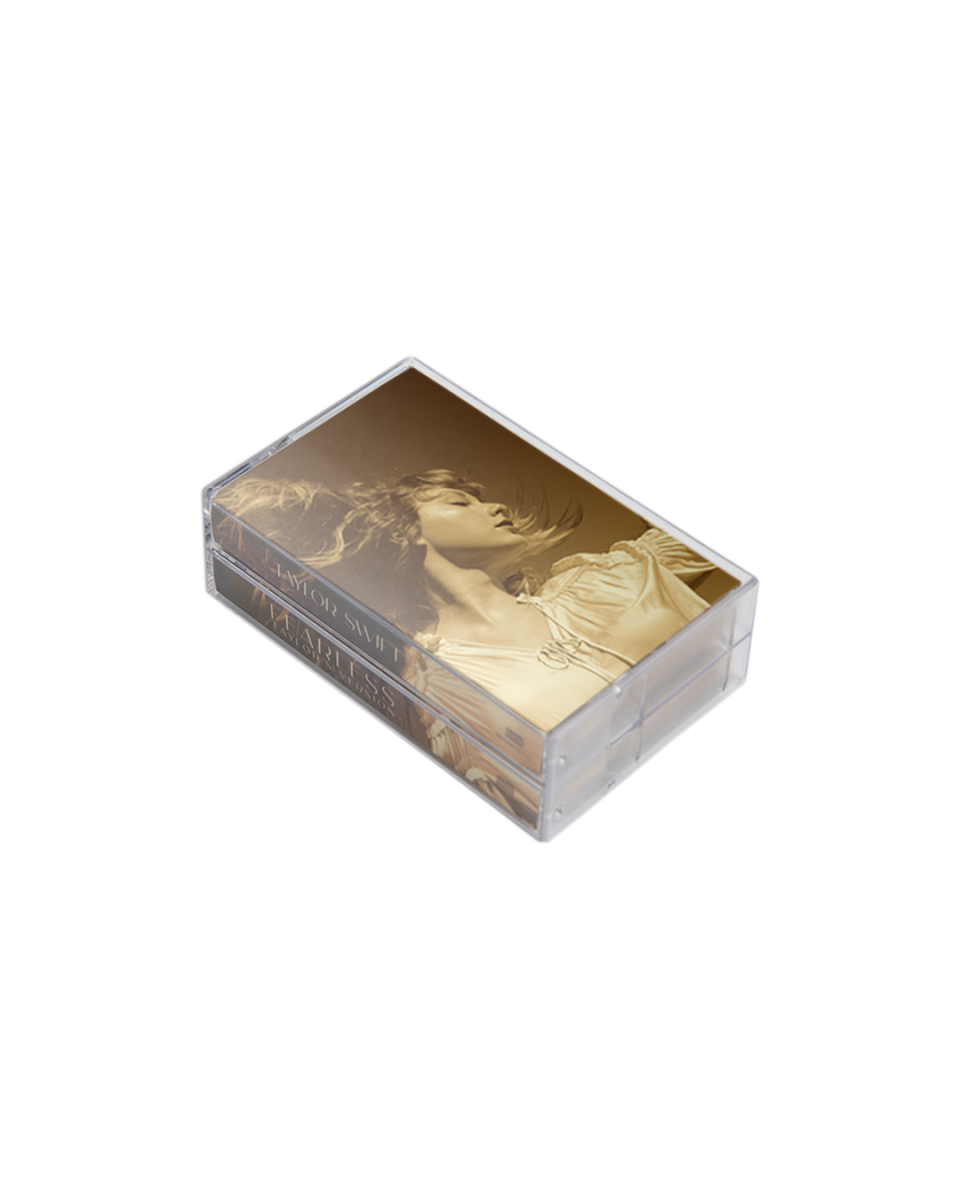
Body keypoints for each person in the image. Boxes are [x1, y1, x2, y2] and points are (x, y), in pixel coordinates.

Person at [215, 469, 716, 821]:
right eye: (459, 502)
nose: (497, 506)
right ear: (406, 531)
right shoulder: (434, 688)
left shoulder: (608, 576)